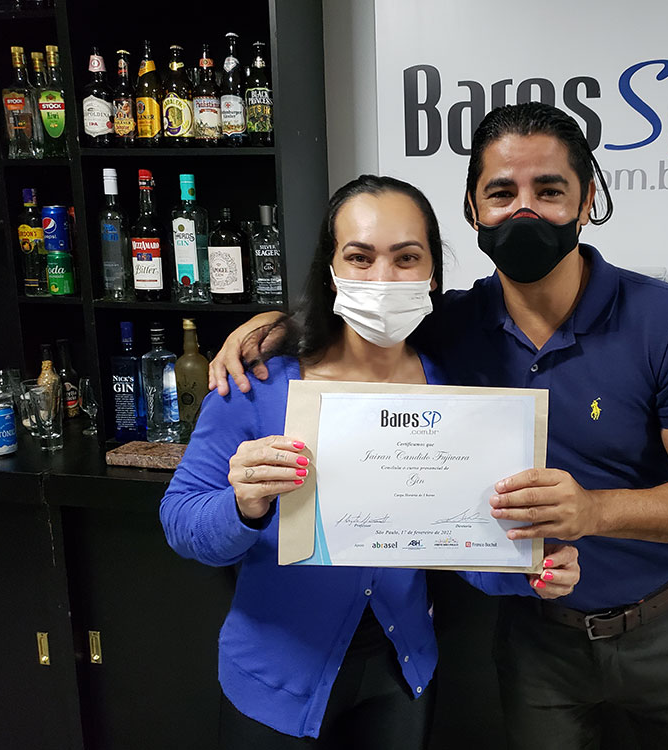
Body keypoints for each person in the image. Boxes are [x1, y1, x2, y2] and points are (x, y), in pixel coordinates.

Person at [211, 103, 668, 750]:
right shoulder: (446, 326)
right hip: (535, 632)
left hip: (666, 627)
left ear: (587, 202)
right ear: (472, 210)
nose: (524, 211)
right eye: (501, 193)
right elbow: (363, 313)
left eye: (549, 190)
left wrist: (592, 510)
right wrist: (271, 325)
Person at [160, 174, 580, 749]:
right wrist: (243, 505)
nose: (383, 278)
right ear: (330, 269)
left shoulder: (451, 391)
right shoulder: (258, 384)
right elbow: (181, 522)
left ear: (433, 273)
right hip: (274, 680)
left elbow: (457, 541)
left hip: (400, 674)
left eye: (407, 258)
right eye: (359, 257)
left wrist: (531, 568)